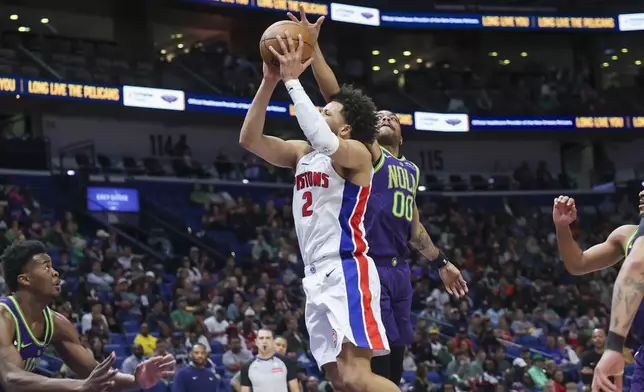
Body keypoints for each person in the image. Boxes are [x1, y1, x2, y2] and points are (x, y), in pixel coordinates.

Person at [286, 5, 468, 385]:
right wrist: (315, 49)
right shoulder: (367, 151)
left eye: (393, 118)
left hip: (399, 269)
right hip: (363, 263)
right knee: (361, 374)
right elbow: (336, 96)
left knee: (392, 367)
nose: (385, 118)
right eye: (378, 116)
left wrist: (441, 262)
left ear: (402, 135)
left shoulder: (410, 170)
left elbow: (414, 228)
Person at [239, 29, 399, 392]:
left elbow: (325, 138)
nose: (318, 113)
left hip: (346, 267)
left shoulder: (355, 153)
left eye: (326, 111)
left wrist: (293, 81)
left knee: (358, 375)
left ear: (345, 128)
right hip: (314, 275)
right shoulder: (300, 154)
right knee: (339, 379)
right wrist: (269, 83)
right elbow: (249, 140)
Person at [0, 240, 176, 392]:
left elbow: (96, 376)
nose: (55, 272)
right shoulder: (3, 317)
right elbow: (11, 378)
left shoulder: (57, 323)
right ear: (25, 280)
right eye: (46, 267)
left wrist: (136, 380)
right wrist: (79, 386)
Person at [552, 194, 644, 392]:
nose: (642, 194)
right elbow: (578, 264)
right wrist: (562, 227)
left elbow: (637, 265)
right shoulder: (628, 235)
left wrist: (614, 346)